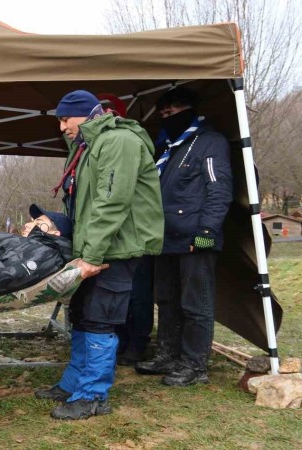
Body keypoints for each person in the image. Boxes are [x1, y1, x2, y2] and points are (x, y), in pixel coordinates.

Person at [34, 90, 163, 420]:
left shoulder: (118, 141)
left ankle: (93, 395)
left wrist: (91, 256)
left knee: (100, 319)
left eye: (66, 119)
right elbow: (83, 204)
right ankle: (73, 384)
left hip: (115, 249)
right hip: (93, 247)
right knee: (82, 314)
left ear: (86, 113)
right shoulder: (86, 145)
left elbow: (111, 203)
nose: (62, 127)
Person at [135, 87, 233, 386]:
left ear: (189, 110)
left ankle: (194, 365)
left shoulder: (210, 142)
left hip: (195, 238)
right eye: (163, 113)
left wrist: (207, 231)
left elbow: (219, 189)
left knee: (195, 305)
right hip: (165, 237)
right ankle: (168, 355)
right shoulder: (169, 146)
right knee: (166, 300)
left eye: (173, 111)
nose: (167, 117)